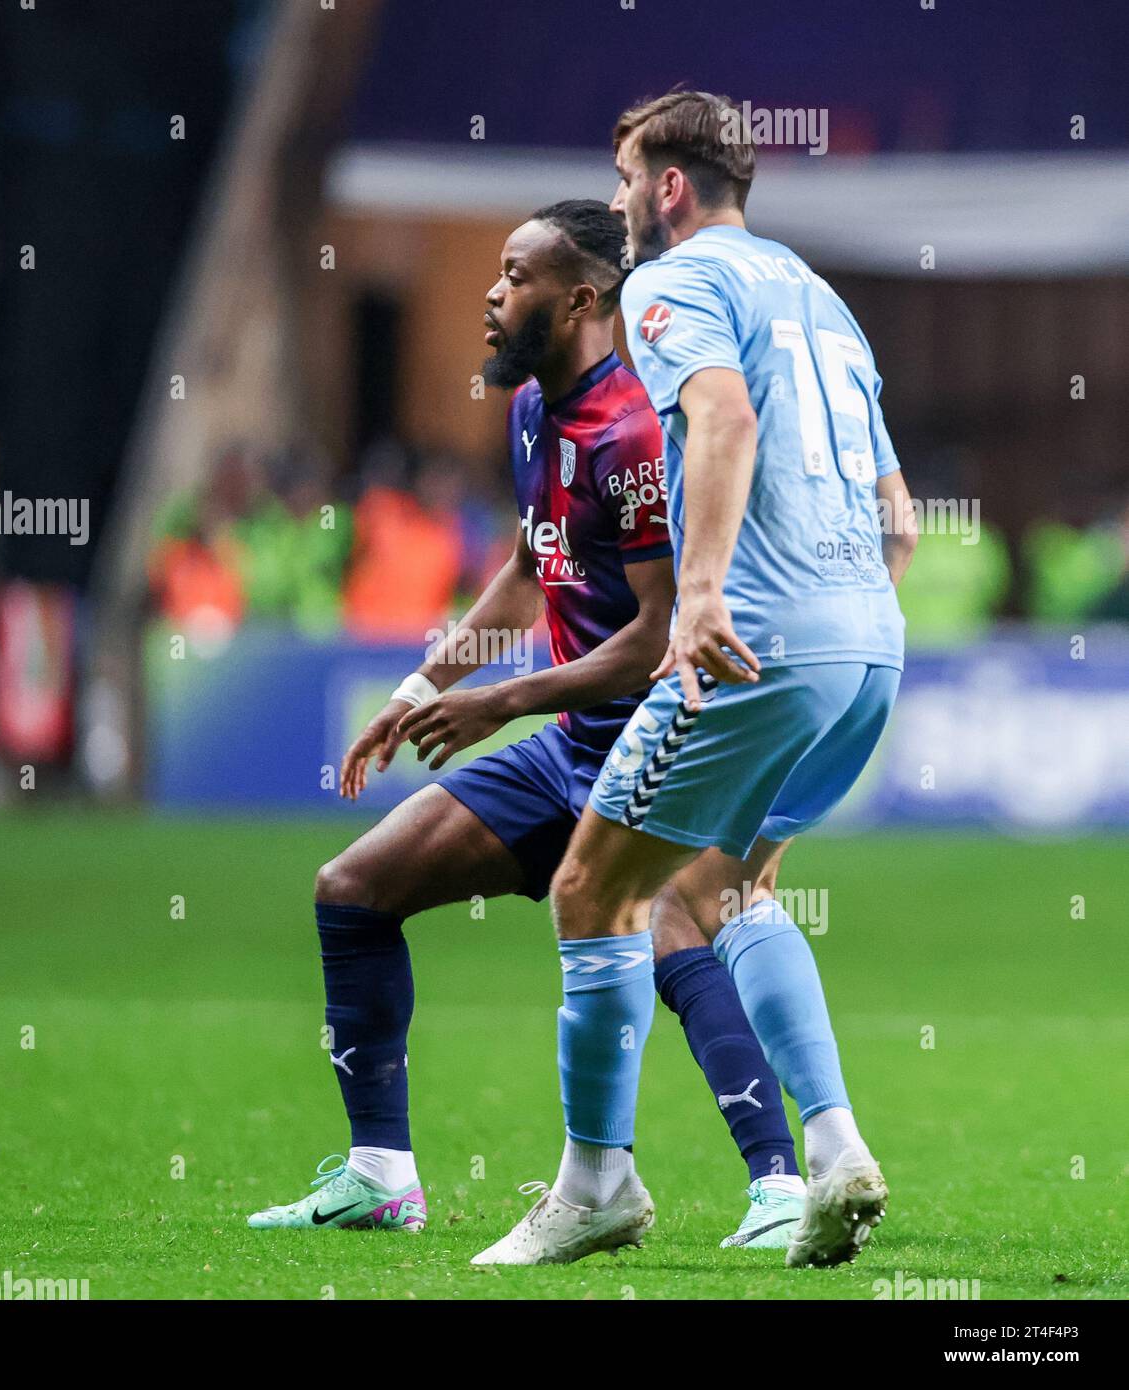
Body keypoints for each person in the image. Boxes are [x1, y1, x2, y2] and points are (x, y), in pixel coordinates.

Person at [247, 200, 806, 1250]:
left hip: (657, 740)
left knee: (676, 928)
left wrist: (497, 701)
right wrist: (421, 690)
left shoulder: (637, 430)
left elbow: (654, 637)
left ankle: (779, 1187)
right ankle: (378, 1175)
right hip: (569, 748)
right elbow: (523, 569)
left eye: (514, 276)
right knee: (352, 891)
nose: (492, 298)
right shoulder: (531, 413)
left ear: (581, 298)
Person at [473, 93, 918, 1271]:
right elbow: (901, 519)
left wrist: (709, 592)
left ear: (668, 185)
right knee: (720, 891)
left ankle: (596, 1185)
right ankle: (832, 1152)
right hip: (867, 645)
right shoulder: (817, 295)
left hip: (754, 644)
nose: (617, 201)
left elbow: (719, 420)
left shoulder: (675, 287)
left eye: (623, 176)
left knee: (590, 890)